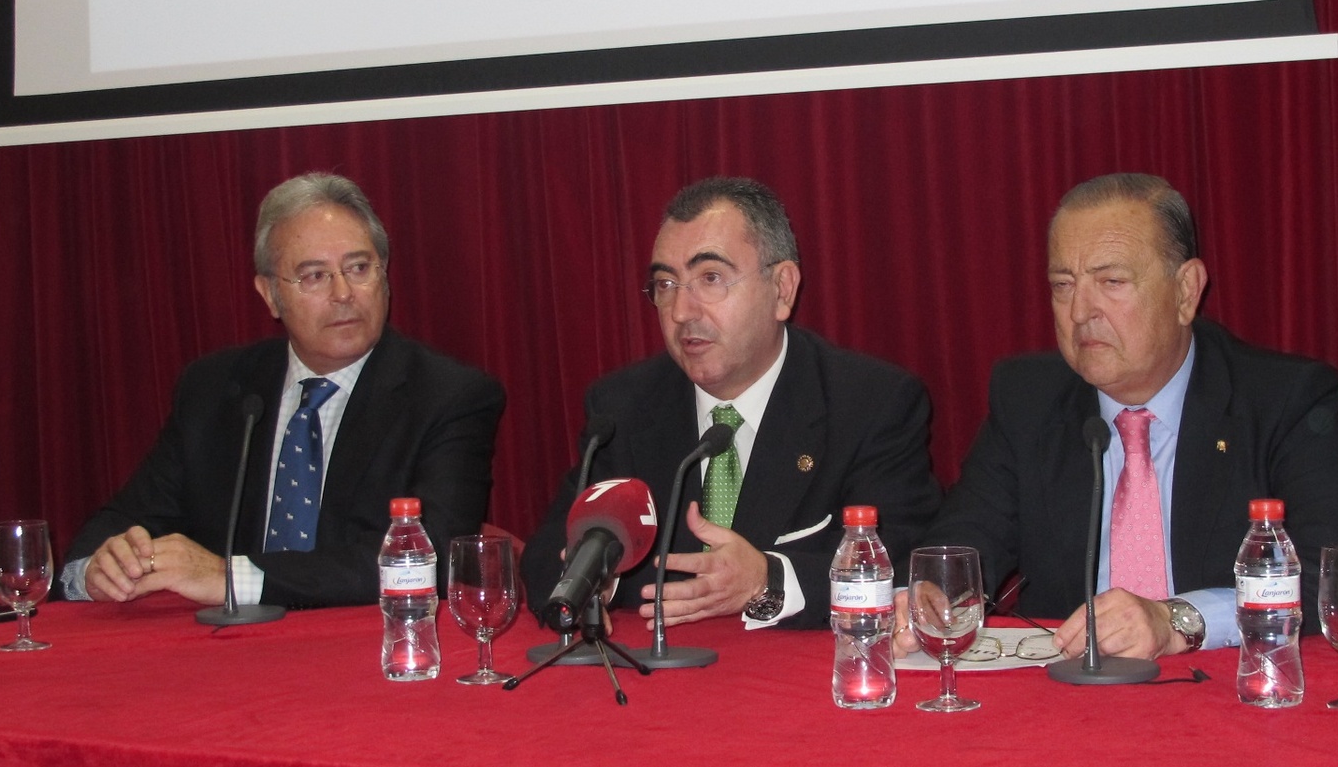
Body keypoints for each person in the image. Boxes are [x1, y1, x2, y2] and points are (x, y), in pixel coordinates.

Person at [909, 173, 1338, 660]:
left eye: (1111, 282)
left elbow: (1328, 577)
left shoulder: (1282, 400)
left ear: (1186, 292)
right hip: (1064, 685)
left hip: (1225, 682)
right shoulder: (1029, 399)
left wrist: (1178, 620)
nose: (1080, 312)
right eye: (1063, 285)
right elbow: (964, 544)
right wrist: (931, 596)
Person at [62, 173, 506, 609]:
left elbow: (433, 556)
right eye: (314, 276)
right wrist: (96, 570)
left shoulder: (449, 397)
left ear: (384, 275)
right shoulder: (213, 389)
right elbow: (128, 518)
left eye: (358, 268)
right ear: (270, 295)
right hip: (219, 644)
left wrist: (231, 577)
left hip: (364, 642)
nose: (343, 293)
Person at [522, 176, 941, 628]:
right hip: (654, 664)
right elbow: (548, 553)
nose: (681, 311)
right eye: (666, 283)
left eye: (711, 278)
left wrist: (768, 580)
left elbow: (906, 557)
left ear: (782, 289)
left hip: (797, 668)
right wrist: (590, 582)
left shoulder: (868, 403)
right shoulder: (623, 408)